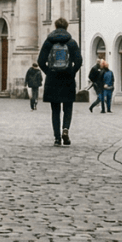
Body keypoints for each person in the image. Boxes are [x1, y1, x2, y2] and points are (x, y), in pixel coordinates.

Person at [39, 18, 83, 146]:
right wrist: (72, 71)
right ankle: (65, 129)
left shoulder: (48, 42)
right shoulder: (71, 42)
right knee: (68, 107)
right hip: (67, 79)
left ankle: (57, 138)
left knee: (55, 110)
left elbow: (41, 61)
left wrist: (49, 72)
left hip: (53, 80)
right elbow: (79, 61)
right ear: (67, 27)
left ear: (55, 26)